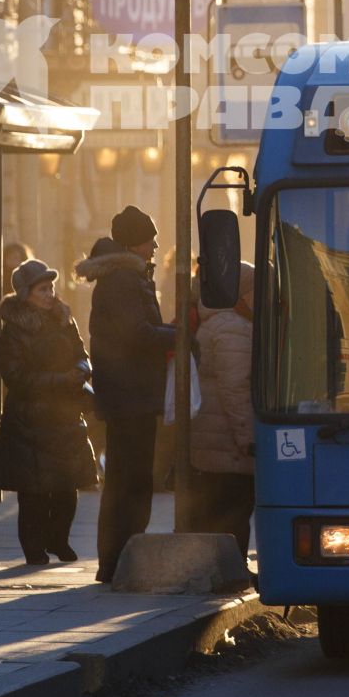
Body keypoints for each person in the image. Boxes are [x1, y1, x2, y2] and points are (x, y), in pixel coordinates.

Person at [79, 207, 174, 583]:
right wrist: (177, 335)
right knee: (130, 480)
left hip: (128, 394)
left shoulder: (127, 277)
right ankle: (119, 560)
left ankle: (119, 559)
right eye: (149, 238)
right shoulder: (123, 280)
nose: (155, 245)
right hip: (129, 394)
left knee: (127, 479)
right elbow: (138, 332)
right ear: (134, 242)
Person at [0, 259, 98, 565]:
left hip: (65, 416)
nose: (49, 293)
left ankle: (58, 538)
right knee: (34, 493)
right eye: (42, 288)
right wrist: (59, 380)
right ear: (26, 293)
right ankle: (34, 547)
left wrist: (81, 371)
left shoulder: (64, 320)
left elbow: (82, 354)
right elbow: (15, 377)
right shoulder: (13, 331)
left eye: (51, 287)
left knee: (68, 488)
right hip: (30, 421)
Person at [188, 261, 256, 565]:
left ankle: (222, 570)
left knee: (218, 513)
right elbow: (236, 389)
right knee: (235, 513)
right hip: (227, 443)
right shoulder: (233, 327)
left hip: (212, 439)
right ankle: (232, 571)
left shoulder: (217, 321)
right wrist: (248, 437)